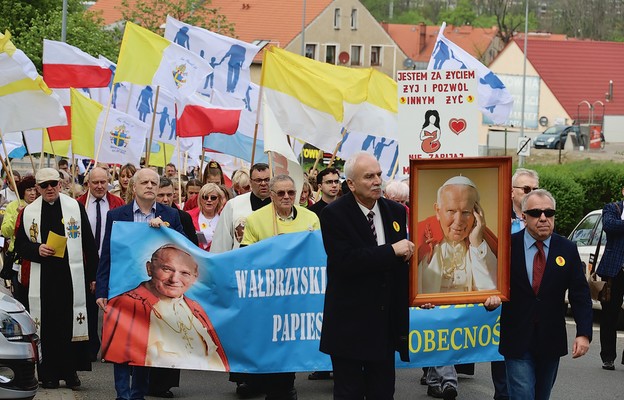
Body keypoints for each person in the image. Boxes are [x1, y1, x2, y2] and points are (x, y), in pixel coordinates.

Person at [319, 152, 413, 399]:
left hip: (385, 325)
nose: (377, 181)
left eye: (379, 175)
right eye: (369, 176)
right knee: (349, 392)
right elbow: (345, 261)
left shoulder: (395, 211)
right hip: (350, 324)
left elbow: (400, 266)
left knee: (382, 392)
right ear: (350, 184)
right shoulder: (334, 214)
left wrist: (417, 292)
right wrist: (391, 251)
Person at [486, 189, 592, 400]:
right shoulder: (506, 246)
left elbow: (580, 295)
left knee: (541, 396)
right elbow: (489, 284)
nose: (543, 218)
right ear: (524, 216)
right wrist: (489, 301)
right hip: (517, 338)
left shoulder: (567, 249)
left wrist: (584, 333)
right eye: (536, 213)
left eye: (549, 213)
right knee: (522, 394)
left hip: (550, 339)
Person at [96, 167, 185, 400]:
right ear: (133, 187)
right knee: (120, 343)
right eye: (144, 182)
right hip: (120, 289)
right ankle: (122, 394)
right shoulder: (116, 215)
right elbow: (107, 255)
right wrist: (102, 289)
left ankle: (138, 394)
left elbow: (182, 250)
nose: (149, 186)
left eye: (153, 183)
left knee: (146, 344)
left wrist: (166, 232)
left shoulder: (171, 215)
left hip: (152, 292)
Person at [14, 167, 98, 389]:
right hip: (43, 281)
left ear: (60, 185)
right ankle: (48, 374)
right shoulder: (28, 212)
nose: (49, 188)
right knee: (48, 330)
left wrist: (93, 277)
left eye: (53, 184)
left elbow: (88, 243)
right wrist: (36, 250)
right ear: (38, 188)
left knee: (68, 327)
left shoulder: (75, 207)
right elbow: (20, 245)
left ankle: (71, 374)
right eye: (44, 185)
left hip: (71, 279)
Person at [240, 174, 320, 400]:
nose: (287, 197)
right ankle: (276, 388)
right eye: (281, 193)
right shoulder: (256, 219)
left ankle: (285, 388)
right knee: (272, 343)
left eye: (291, 192)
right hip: (268, 295)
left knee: (292, 343)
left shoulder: (311, 218)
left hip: (299, 294)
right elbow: (247, 255)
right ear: (272, 195)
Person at [101, 244, 229, 371]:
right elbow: (120, 357)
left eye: (185, 273)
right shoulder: (127, 303)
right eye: (167, 269)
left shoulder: (195, 309)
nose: (174, 279)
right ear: (149, 268)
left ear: (194, 278)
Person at [417, 176, 498, 294]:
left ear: (477, 213)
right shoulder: (421, 235)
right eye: (451, 211)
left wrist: (477, 243)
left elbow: (491, 290)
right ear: (437, 210)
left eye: (466, 212)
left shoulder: (483, 238)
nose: (458, 220)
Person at [76, 167, 125, 361]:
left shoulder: (117, 203)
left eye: (102, 182)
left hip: (111, 262)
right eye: (95, 182)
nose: (99, 186)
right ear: (88, 183)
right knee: (87, 307)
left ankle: (110, 347)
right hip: (85, 261)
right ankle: (88, 348)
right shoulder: (79, 204)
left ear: (108, 183)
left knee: (111, 307)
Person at [210, 163, 271, 254]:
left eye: (267, 180)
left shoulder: (280, 206)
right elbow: (221, 243)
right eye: (258, 180)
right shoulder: (233, 205)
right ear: (250, 182)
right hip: (240, 263)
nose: (263, 184)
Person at [596, 187, 624, 370]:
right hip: (614, 271)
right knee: (609, 315)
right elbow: (609, 226)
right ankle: (608, 357)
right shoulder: (612, 208)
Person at [0, 175, 38, 306]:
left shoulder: (41, 206)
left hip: (37, 259)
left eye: (34, 189)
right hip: (18, 260)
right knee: (20, 296)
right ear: (23, 191)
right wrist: (17, 214)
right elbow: (6, 232)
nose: (32, 193)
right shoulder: (12, 206)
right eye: (29, 190)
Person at [157, 177, 199, 247]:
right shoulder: (147, 214)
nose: (165, 199)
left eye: (169, 195)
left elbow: (192, 246)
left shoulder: (184, 217)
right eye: (161, 195)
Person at [188, 183, 227, 251]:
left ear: (219, 200)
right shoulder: (189, 216)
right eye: (205, 197)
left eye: (213, 198)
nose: (209, 200)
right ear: (200, 199)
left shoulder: (225, 217)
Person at [511, 169, 539, 233]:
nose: (531, 194)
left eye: (535, 190)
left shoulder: (544, 215)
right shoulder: (502, 217)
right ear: (512, 192)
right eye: (526, 189)